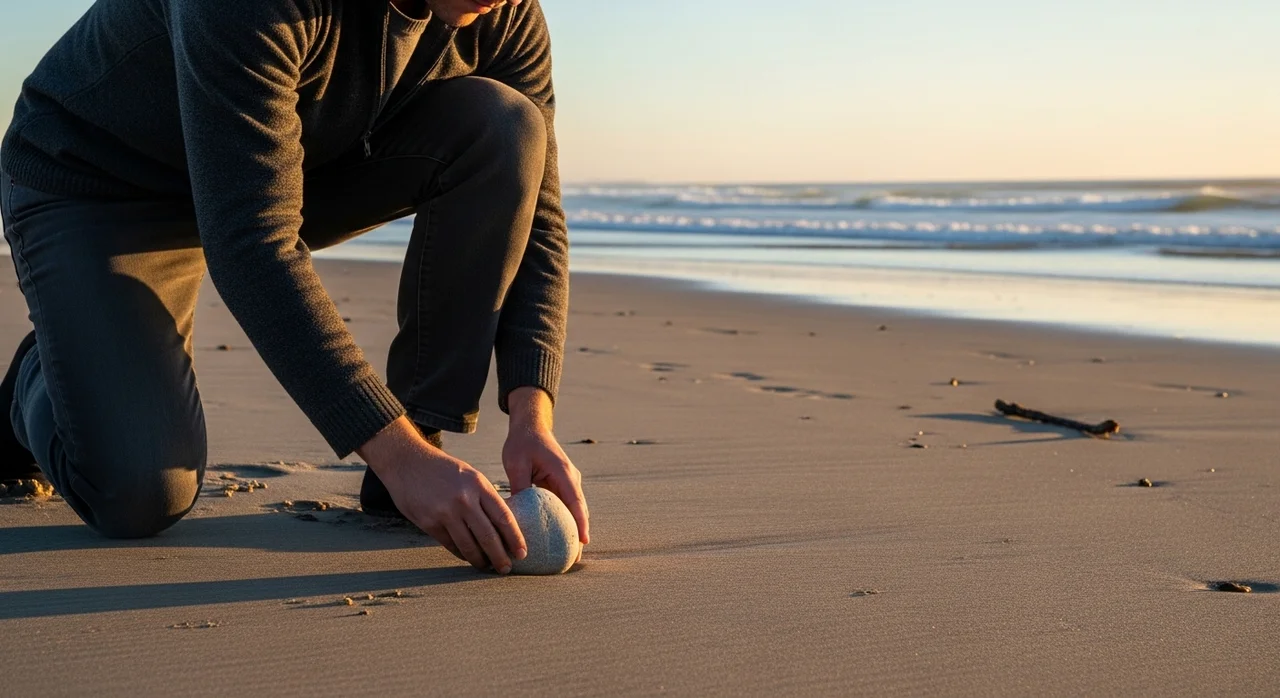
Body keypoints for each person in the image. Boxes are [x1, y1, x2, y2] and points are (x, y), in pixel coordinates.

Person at [0, 0, 588, 575]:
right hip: (103, 184)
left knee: (506, 124)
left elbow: (537, 215)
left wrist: (531, 414)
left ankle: (416, 443)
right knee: (137, 495)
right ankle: (40, 373)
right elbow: (253, 242)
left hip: (290, 163)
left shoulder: (506, 12)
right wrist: (397, 455)